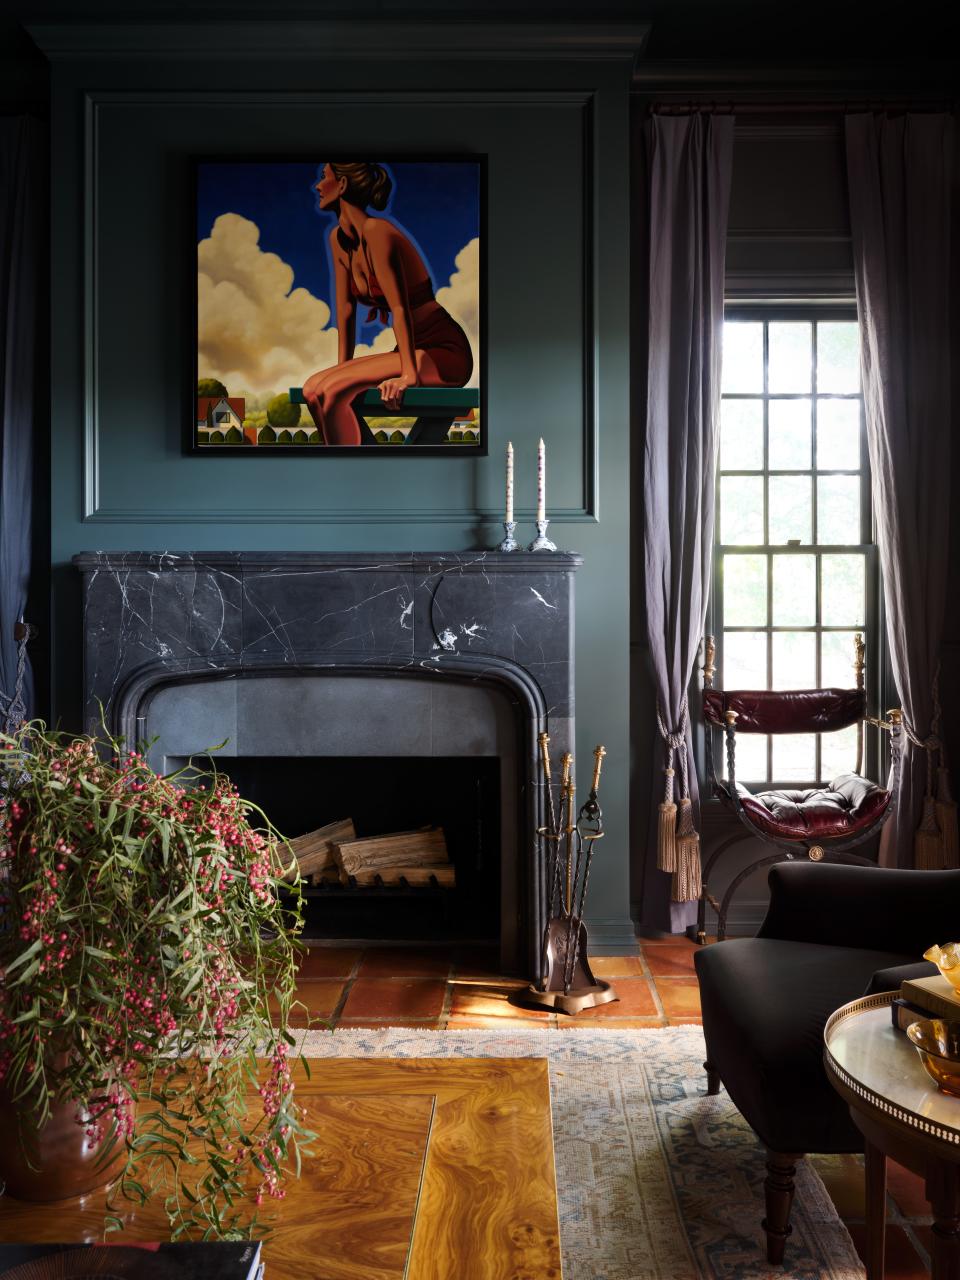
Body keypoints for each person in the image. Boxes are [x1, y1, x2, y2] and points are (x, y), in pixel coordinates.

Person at [302, 162, 473, 446]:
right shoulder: (338, 240)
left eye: (324, 178)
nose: (317, 186)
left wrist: (409, 374)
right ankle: (347, 471)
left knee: (332, 392)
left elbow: (399, 308)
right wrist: (341, 369)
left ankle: (354, 480)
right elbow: (345, 311)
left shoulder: (377, 232)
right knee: (313, 389)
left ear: (343, 185)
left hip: (442, 349)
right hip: (411, 349)